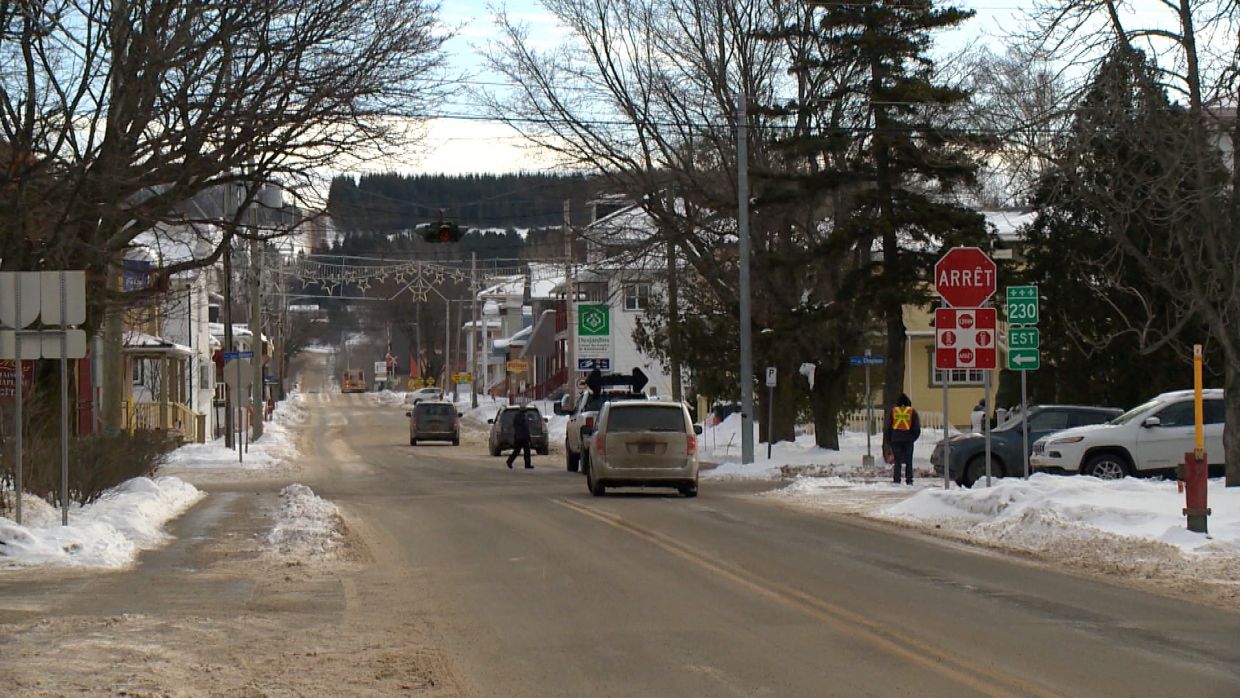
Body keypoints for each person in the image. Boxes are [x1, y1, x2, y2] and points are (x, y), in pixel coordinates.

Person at [884, 393, 921, 485]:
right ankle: (909, 480)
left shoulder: (894, 411)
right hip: (908, 439)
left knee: (897, 461)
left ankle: (897, 479)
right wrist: (913, 438)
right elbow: (916, 427)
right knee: (909, 461)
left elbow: (888, 426)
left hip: (896, 439)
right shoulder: (912, 412)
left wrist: (889, 439)